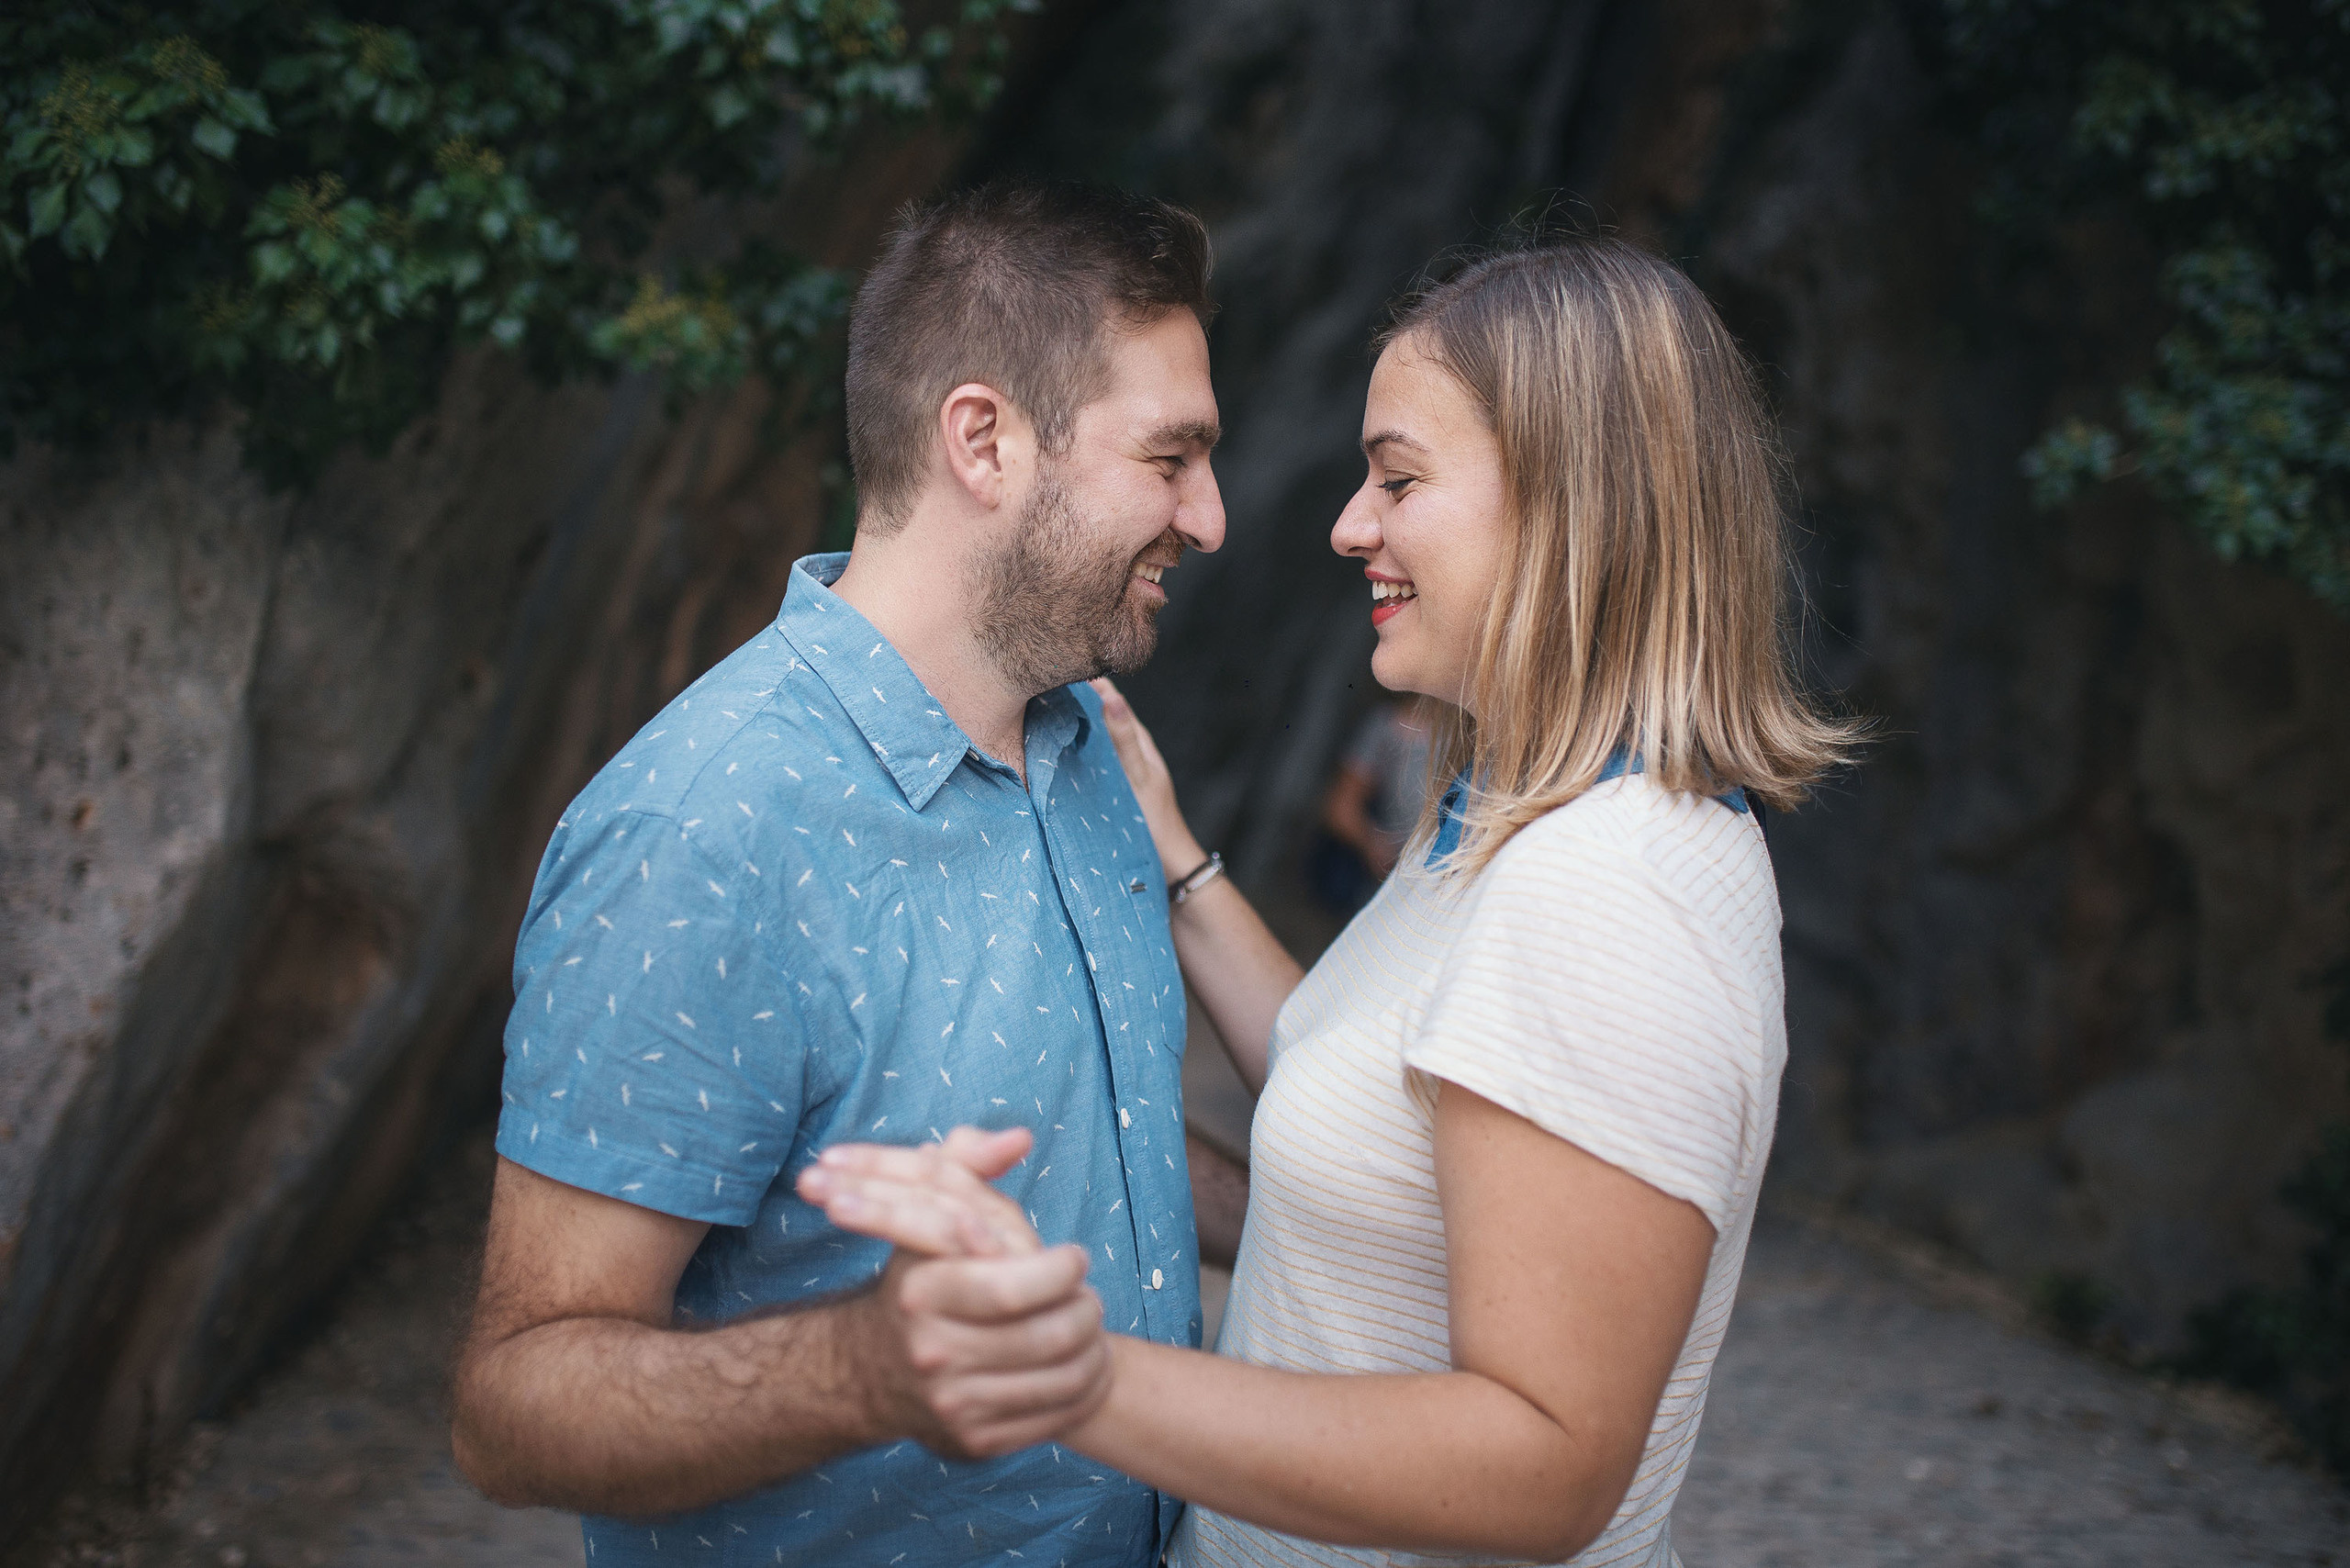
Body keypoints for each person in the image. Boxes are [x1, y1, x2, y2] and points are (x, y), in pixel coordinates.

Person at [799, 236, 1861, 1566]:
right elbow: (1380, 1091)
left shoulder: (1613, 888)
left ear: (1575, 504)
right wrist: (1180, 860)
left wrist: (1071, 1379)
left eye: (1400, 479)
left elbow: (1548, 1463)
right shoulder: (1507, 815)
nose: (1351, 523)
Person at [450, 181, 1228, 1565]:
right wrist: (864, 1373)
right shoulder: (701, 829)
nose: (1211, 516)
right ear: (983, 442)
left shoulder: (1085, 744)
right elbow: (514, 1408)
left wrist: (1358, 1196)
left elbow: (1103, 1131)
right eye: (1172, 457)